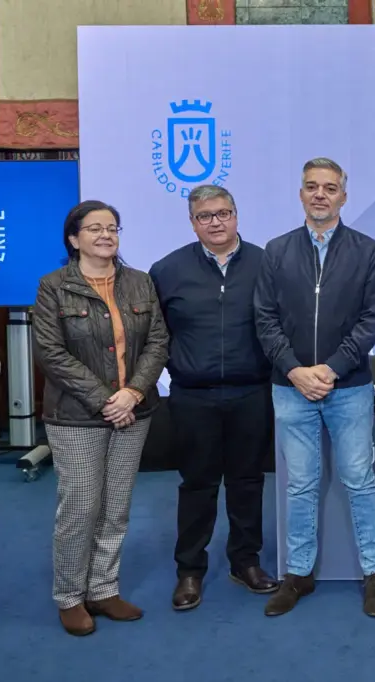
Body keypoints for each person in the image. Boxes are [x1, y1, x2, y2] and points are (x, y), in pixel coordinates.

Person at [254, 158, 375, 618]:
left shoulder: (367, 251)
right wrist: (295, 370)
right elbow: (265, 320)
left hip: (348, 387)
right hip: (289, 388)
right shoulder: (276, 250)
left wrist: (330, 369)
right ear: (300, 194)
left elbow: (373, 320)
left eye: (330, 188)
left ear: (343, 197)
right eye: (312, 187)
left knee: (359, 481)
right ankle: (298, 575)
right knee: (301, 485)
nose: (320, 194)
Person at [32, 200, 170, 636]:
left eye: (112, 228)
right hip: (76, 417)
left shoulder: (140, 282)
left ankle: (103, 588)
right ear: (74, 239)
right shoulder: (54, 286)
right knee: (80, 507)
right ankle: (70, 596)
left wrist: (131, 394)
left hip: (134, 411)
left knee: (116, 507)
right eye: (95, 229)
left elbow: (158, 343)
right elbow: (51, 354)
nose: (106, 235)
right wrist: (107, 399)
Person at [149, 185, 278, 612]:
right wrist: (177, 368)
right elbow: (155, 335)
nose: (216, 222)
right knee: (197, 485)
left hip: (252, 392)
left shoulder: (267, 263)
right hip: (192, 397)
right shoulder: (167, 270)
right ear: (192, 222)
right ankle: (190, 570)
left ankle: (246, 561)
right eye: (205, 216)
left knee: (247, 482)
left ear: (237, 215)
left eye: (224, 213)